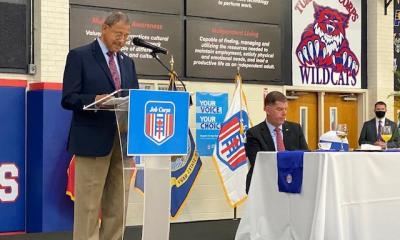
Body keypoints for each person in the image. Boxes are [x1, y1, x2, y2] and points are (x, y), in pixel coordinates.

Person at [61, 12, 139, 240]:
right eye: (118, 34)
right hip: (92, 141)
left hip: (122, 141)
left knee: (118, 205)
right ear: (104, 28)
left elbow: (133, 98)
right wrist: (94, 100)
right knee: (89, 208)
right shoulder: (80, 56)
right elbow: (68, 98)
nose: (122, 40)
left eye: (126, 36)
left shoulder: (127, 62)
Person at [244, 91, 309, 193]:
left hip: (292, 184)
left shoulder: (295, 129)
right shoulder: (254, 133)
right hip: (264, 186)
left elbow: (306, 156)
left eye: (285, 109)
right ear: (267, 110)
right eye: (279, 109)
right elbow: (258, 162)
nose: (284, 113)